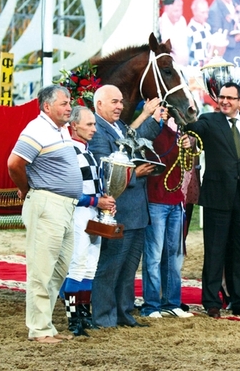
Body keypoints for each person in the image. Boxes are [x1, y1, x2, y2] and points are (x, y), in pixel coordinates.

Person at [185, 82, 240, 318]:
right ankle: (212, 302)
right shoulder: (209, 120)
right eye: (221, 97)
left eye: (230, 98)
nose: (224, 101)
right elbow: (194, 129)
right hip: (217, 199)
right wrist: (187, 119)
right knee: (214, 251)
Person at [7, 85, 82, 344]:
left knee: (58, 270)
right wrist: (26, 189)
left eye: (69, 102)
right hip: (47, 204)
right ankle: (38, 330)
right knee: (42, 270)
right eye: (63, 103)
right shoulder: (37, 129)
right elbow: (14, 163)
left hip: (65, 206)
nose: (69, 107)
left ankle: (46, 325)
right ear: (47, 107)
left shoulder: (60, 130)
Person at [88, 85, 162, 327]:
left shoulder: (119, 127)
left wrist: (155, 118)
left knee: (129, 268)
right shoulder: (97, 131)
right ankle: (104, 317)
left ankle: (124, 313)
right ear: (99, 105)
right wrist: (137, 173)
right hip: (118, 210)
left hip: (137, 211)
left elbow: (138, 137)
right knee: (111, 267)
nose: (120, 106)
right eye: (114, 102)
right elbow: (106, 172)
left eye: (121, 101)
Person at [58, 106, 116, 336]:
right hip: (79, 214)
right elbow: (67, 192)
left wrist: (106, 201)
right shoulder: (69, 152)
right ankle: (73, 319)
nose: (94, 129)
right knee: (77, 266)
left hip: (92, 213)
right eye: (89, 124)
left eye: (94, 124)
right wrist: (96, 201)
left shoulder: (87, 151)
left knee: (90, 267)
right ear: (74, 125)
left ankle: (84, 314)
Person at [141, 109, 194, 319]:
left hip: (175, 201)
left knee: (173, 256)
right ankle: (151, 304)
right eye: (160, 110)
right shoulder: (148, 132)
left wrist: (191, 145)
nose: (164, 114)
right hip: (155, 201)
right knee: (154, 255)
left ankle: (172, 302)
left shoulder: (177, 135)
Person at [159, 0, 189, 66]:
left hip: (184, 65)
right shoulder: (161, 23)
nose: (179, 13)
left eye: (180, 10)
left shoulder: (182, 20)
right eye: (176, 11)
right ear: (167, 9)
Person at [187, 0, 213, 67]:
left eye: (207, 12)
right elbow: (186, 57)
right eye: (203, 12)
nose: (206, 16)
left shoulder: (207, 27)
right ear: (194, 11)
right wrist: (198, 63)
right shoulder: (190, 31)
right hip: (195, 71)